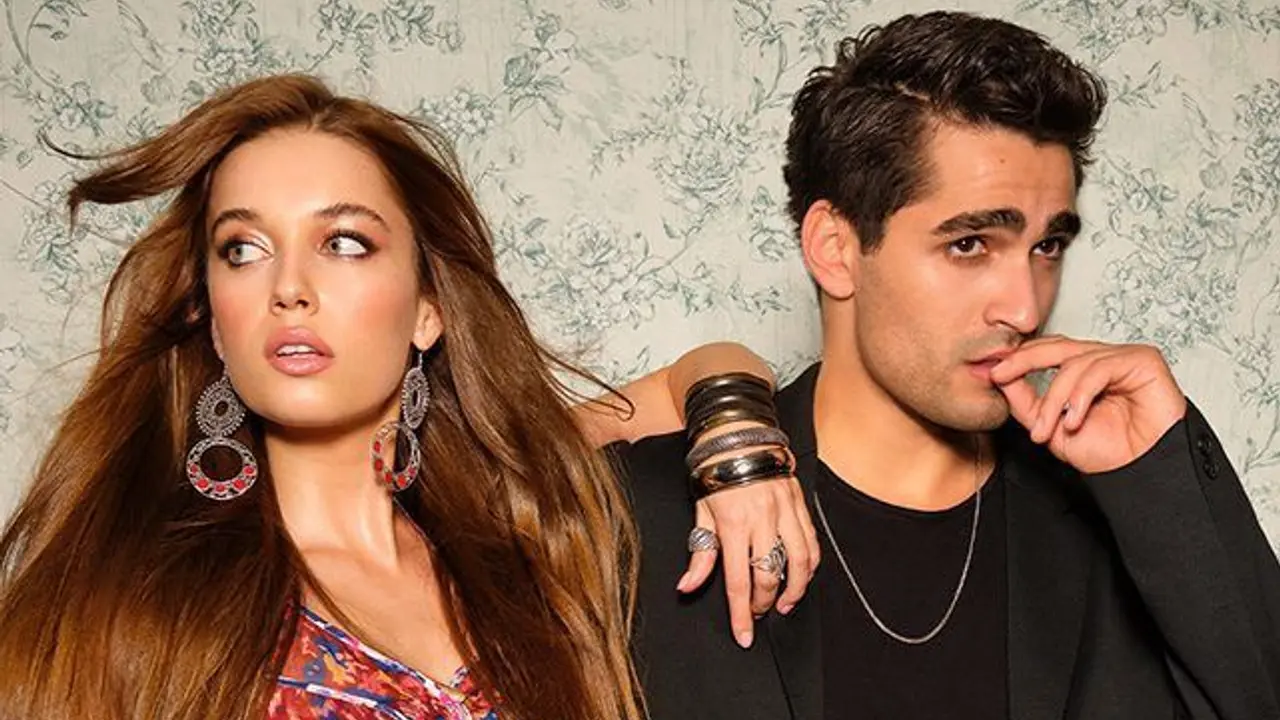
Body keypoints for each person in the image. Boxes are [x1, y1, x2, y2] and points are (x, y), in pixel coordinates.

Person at [0, 74, 815, 719]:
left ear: (428, 309)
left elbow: (692, 373)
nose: (289, 287)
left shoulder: (514, 525)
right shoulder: (135, 602)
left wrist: (739, 445)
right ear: (214, 321)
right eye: (243, 249)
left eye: (343, 242)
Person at [618, 11, 1280, 720]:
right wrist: (717, 386)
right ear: (835, 249)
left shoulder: (1120, 522)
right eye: (969, 245)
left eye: (1047, 246)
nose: (1025, 307)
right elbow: (522, 471)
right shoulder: (652, 513)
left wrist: (1162, 474)